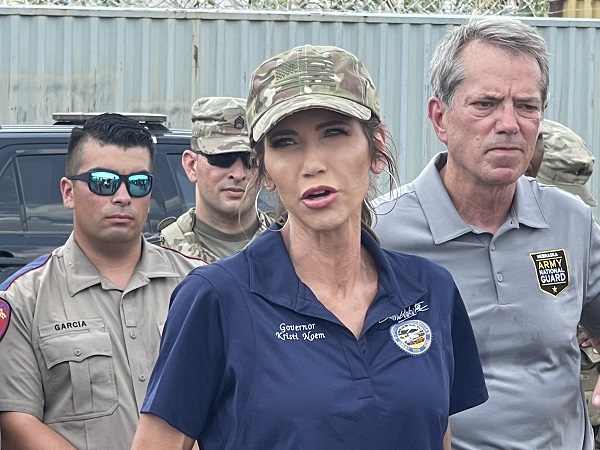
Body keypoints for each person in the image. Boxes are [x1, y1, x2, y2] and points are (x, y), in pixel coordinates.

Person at [131, 44, 488, 450]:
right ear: (263, 170)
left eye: (334, 133)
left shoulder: (429, 289)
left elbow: (436, 434)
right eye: (285, 142)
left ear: (376, 147)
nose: (313, 163)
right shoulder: (216, 298)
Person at [374, 16, 600, 450]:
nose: (510, 123)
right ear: (440, 118)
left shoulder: (570, 221)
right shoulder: (381, 233)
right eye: (486, 104)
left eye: (527, 106)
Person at [0, 113, 204, 450]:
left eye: (138, 183)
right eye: (104, 182)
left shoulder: (197, 284)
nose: (123, 196)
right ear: (68, 192)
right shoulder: (24, 299)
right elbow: (16, 420)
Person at [158, 96, 273, 261]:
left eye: (250, 161)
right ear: (191, 165)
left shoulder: (292, 247)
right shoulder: (164, 256)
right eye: (223, 158)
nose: (238, 174)